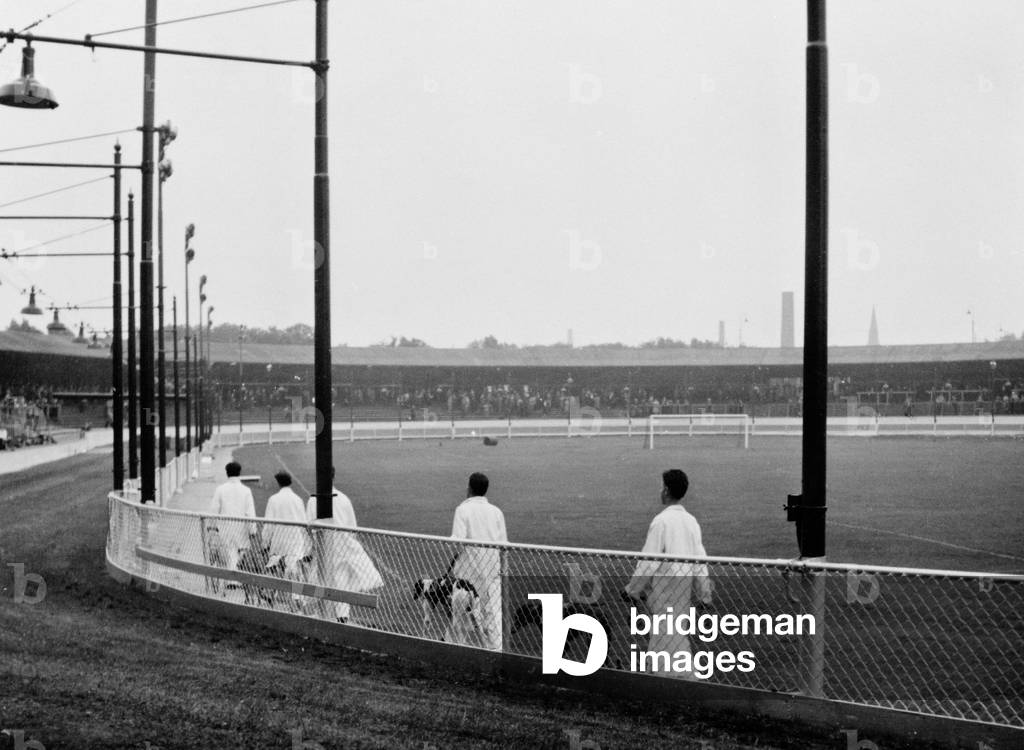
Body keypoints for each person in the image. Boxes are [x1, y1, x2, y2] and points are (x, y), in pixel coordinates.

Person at [624, 469, 712, 679]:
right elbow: (700, 560)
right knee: (672, 631)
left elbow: (649, 560)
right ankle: (660, 674)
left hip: (666, 585)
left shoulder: (661, 521)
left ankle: (673, 678)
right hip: (684, 584)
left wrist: (633, 589)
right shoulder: (691, 521)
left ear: (666, 490)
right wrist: (704, 593)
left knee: (666, 632)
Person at [306, 468, 383, 623]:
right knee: (338, 582)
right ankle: (339, 617)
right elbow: (352, 527)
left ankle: (332, 616)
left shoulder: (314, 500)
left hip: (327, 547)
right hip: (340, 546)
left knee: (326, 580)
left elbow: (308, 526)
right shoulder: (342, 499)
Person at [450, 472, 507, 650]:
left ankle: (459, 651)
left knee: (460, 616)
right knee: (492, 615)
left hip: (468, 575)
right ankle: (496, 653)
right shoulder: (496, 512)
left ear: (469, 488)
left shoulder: (463, 509)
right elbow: (503, 545)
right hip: (492, 570)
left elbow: (457, 542)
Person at [264, 470, 308, 607]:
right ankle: (296, 599)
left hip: (279, 539)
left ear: (278, 483)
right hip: (295, 539)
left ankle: (274, 595)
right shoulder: (298, 500)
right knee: (294, 570)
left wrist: (265, 542)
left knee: (277, 569)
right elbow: (303, 523)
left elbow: (268, 524)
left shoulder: (274, 499)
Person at [210, 461, 257, 571]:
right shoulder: (246, 491)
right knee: (236, 554)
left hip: (224, 528)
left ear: (227, 473)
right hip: (241, 528)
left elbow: (214, 510)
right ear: (239, 473)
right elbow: (250, 512)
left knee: (229, 553)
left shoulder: (220, 489)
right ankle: (233, 579)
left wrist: (212, 528)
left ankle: (232, 579)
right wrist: (252, 530)